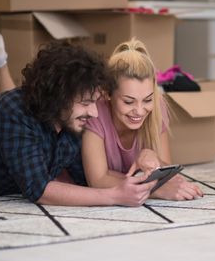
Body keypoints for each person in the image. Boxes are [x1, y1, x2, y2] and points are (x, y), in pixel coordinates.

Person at [0, 29, 156, 207]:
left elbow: (86, 178)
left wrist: (141, 182)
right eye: (86, 103)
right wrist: (115, 196)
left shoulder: (72, 121)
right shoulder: (13, 111)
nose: (95, 113)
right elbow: (39, 190)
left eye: (95, 102)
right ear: (59, 97)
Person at [81, 38, 204, 201]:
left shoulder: (158, 106)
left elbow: (168, 168)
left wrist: (152, 156)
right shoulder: (95, 111)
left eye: (147, 100)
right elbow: (97, 180)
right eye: (128, 101)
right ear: (108, 94)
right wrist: (155, 189)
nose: (139, 111)